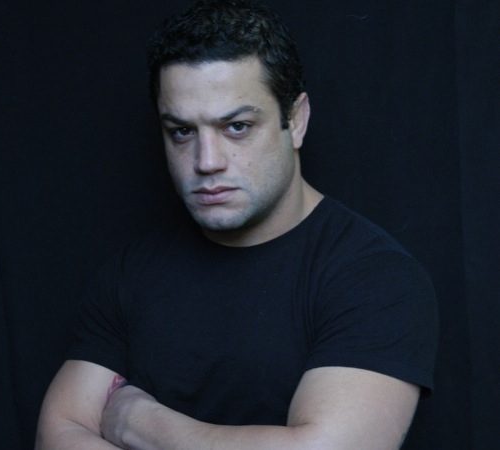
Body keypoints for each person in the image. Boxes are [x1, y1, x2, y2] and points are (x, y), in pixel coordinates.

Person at [35, 1, 438, 449]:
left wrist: (139, 421)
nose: (207, 162)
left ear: (296, 121)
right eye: (182, 131)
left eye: (237, 127)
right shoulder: (131, 273)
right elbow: (58, 434)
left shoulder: (375, 278)